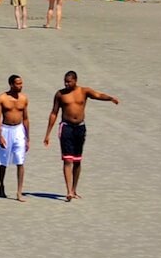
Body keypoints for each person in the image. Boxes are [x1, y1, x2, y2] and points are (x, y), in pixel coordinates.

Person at [43, 71, 119, 201]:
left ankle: (74, 189)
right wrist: (47, 133)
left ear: (75, 80)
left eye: (69, 81)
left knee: (77, 161)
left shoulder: (84, 91)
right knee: (67, 160)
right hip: (66, 127)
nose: (66, 84)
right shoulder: (60, 94)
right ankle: (68, 191)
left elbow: (98, 95)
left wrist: (110, 98)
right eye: (65, 81)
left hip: (80, 128)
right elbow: (54, 113)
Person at [0, 75, 29, 201]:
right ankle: (1, 185)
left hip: (19, 130)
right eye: (18, 84)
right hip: (6, 129)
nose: (20, 86)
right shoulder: (2, 98)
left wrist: (27, 138)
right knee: (3, 161)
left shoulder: (24, 99)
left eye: (21, 83)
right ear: (11, 84)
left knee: (20, 161)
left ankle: (19, 192)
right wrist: (0, 136)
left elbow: (25, 118)